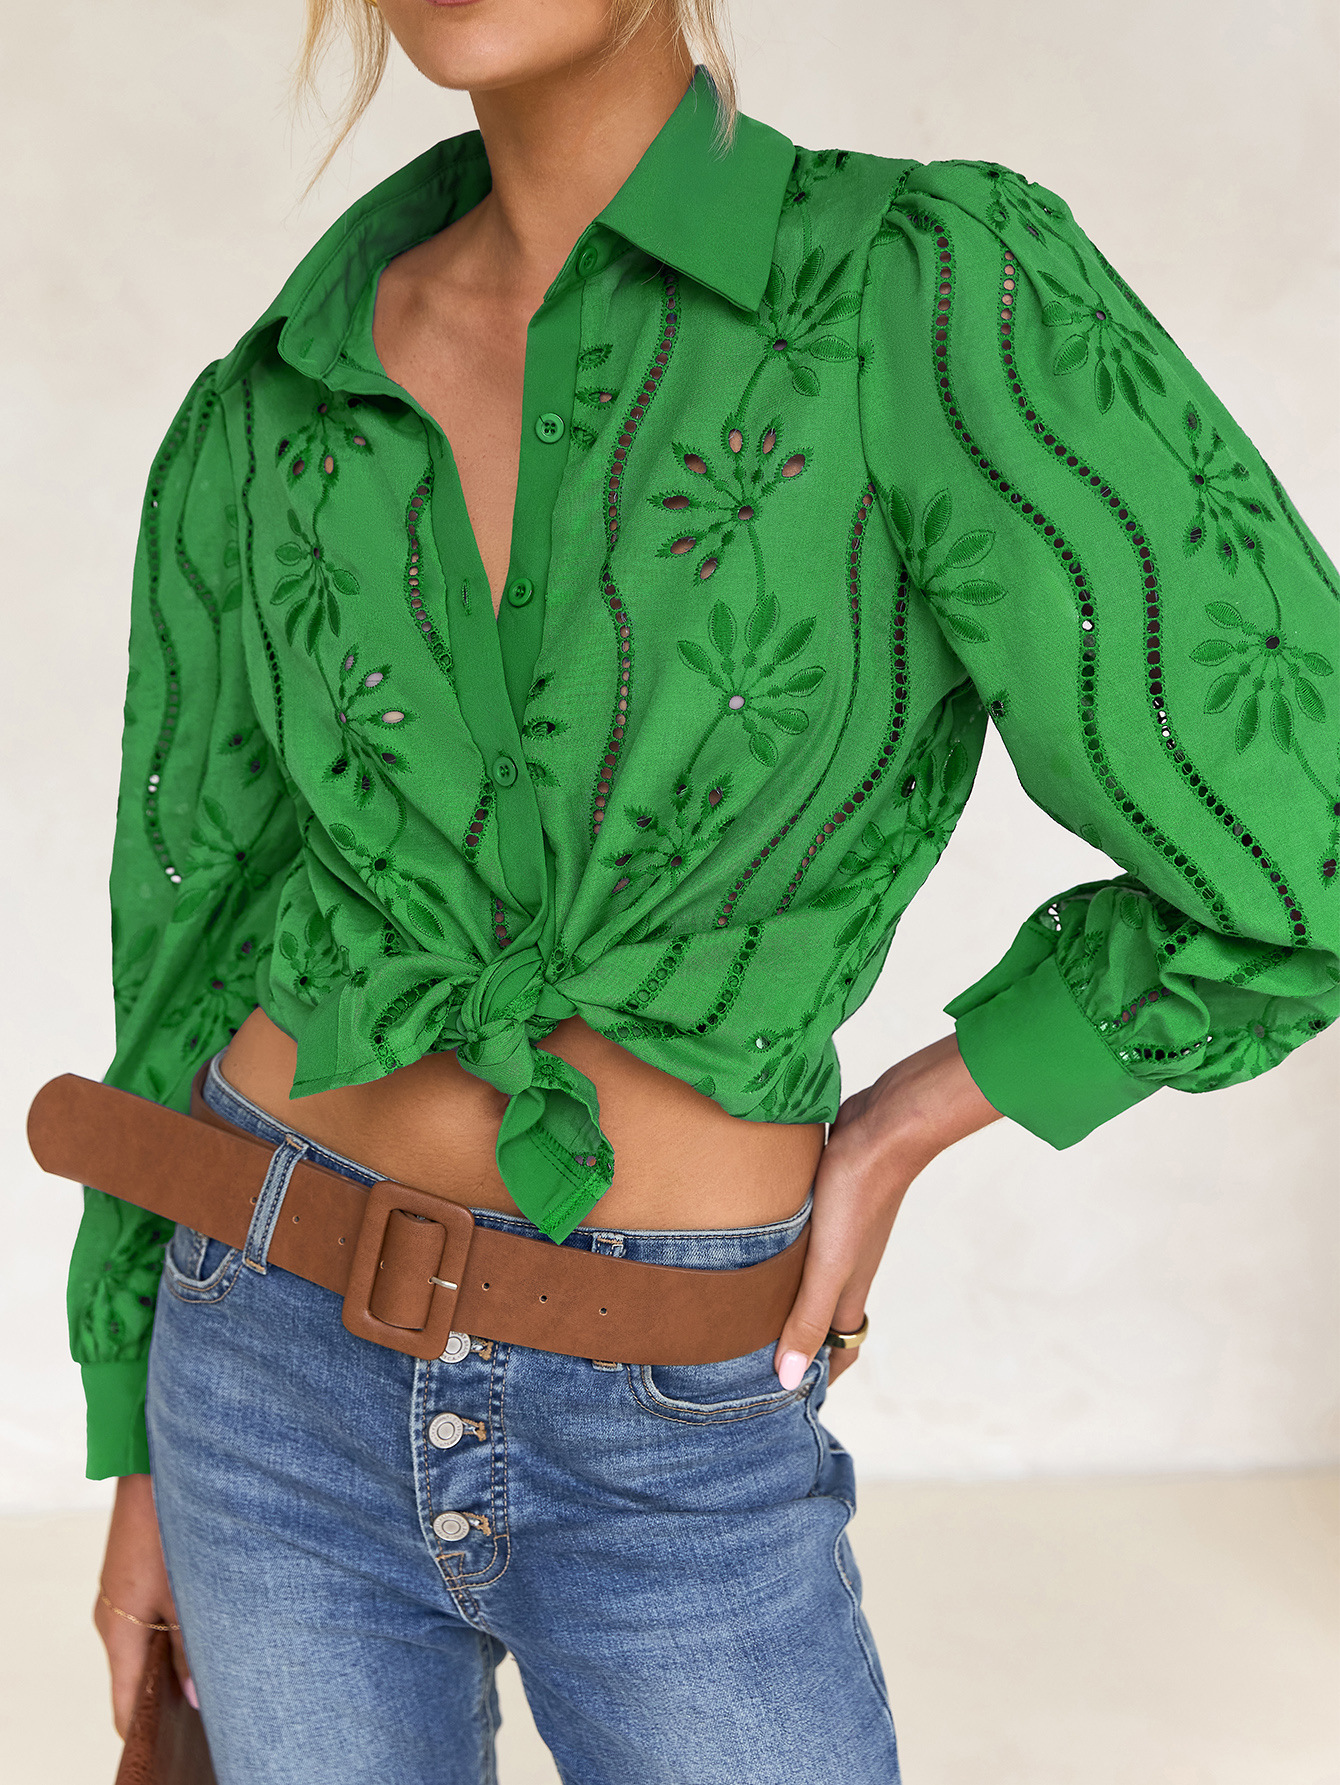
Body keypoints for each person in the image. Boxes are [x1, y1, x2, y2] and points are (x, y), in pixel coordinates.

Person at [73, 1, 1336, 1780]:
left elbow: (1306, 828)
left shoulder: (916, 296)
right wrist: (135, 1436)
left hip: (675, 1409)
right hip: (261, 1368)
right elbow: (186, 933)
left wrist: (908, 1121)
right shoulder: (277, 399)